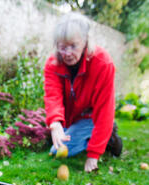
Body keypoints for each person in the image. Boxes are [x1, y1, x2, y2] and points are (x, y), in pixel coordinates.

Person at [44, 12, 122, 173]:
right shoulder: (53, 64)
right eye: (62, 46)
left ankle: (108, 138)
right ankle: (89, 135)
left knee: (62, 150)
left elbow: (104, 110)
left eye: (73, 46)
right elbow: (53, 96)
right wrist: (55, 123)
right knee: (55, 148)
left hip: (90, 116)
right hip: (72, 117)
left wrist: (93, 155)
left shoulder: (103, 63)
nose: (67, 53)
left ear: (85, 41)